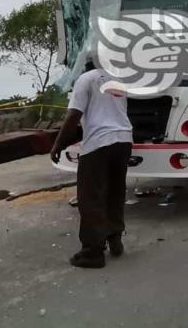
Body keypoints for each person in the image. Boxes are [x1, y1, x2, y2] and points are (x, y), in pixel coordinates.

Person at [50, 56, 133, 268]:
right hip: (123, 140)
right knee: (115, 191)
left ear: (87, 64)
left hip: (99, 143)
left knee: (91, 196)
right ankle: (115, 239)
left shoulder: (86, 79)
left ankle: (93, 251)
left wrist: (58, 144)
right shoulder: (118, 81)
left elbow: (73, 116)